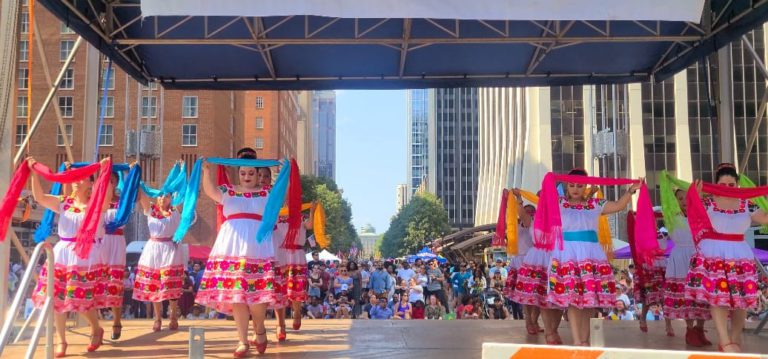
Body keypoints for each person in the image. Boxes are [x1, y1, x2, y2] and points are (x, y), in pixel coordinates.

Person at [545, 169, 642, 346]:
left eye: (580, 185)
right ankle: (576, 340)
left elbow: (619, 206)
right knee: (573, 300)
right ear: (566, 186)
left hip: (591, 254)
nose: (575, 189)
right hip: (568, 254)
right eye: (572, 184)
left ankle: (585, 340)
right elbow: (543, 200)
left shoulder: (595, 204)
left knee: (589, 300)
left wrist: (630, 191)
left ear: (586, 187)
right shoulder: (558, 203)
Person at [27, 157, 113, 357]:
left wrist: (104, 170)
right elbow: (39, 197)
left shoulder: (96, 204)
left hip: (85, 256)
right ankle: (61, 340)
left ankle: (96, 327)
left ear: (91, 182)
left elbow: (107, 195)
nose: (76, 180)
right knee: (57, 299)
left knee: (78, 299)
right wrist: (34, 172)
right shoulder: (63, 203)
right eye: (74, 177)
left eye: (81, 178)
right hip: (62, 254)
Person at [196, 156, 280, 356]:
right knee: (237, 295)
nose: (247, 176)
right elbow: (210, 192)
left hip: (257, 248)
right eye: (243, 173)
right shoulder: (228, 191)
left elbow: (281, 195)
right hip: (231, 247)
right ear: (238, 173)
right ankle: (242, 340)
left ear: (258, 174)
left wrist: (282, 172)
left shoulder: (267, 192)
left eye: (252, 173)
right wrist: (206, 172)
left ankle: (259, 329)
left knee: (258, 298)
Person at [684, 164, 768, 353]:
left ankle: (735, 337)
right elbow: (691, 215)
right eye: (723, 184)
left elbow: (765, 218)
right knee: (718, 298)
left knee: (741, 299)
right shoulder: (707, 203)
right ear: (716, 184)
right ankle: (724, 339)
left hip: (739, 254)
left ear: (738, 184)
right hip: (713, 253)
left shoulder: (747, 203)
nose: (727, 188)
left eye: (731, 184)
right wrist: (694, 198)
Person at [134, 182, 185, 333]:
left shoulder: (175, 211)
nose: (163, 198)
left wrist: (182, 173)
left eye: (167, 196)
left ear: (171, 199)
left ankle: (173, 316)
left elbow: (182, 195)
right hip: (153, 249)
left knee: (169, 283)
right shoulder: (151, 211)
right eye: (161, 195)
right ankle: (157, 318)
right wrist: (135, 176)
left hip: (170, 248)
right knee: (154, 285)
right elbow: (142, 196)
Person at [102, 172, 128, 340]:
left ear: (117, 182)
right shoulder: (96, 198)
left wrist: (131, 174)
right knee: (97, 282)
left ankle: (116, 321)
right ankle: (95, 326)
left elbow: (136, 194)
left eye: (113, 180)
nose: (110, 182)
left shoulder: (122, 199)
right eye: (107, 179)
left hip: (117, 241)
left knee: (115, 283)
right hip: (101, 240)